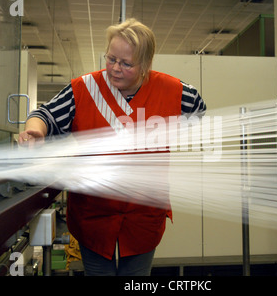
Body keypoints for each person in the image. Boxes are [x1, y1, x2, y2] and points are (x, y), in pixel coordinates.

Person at [19, 18, 206, 276]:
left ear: (146, 65)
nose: (115, 68)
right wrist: (35, 131)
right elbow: (46, 115)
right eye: (111, 59)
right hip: (93, 213)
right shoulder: (84, 89)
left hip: (144, 215)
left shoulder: (175, 91)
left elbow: (198, 111)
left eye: (126, 63)